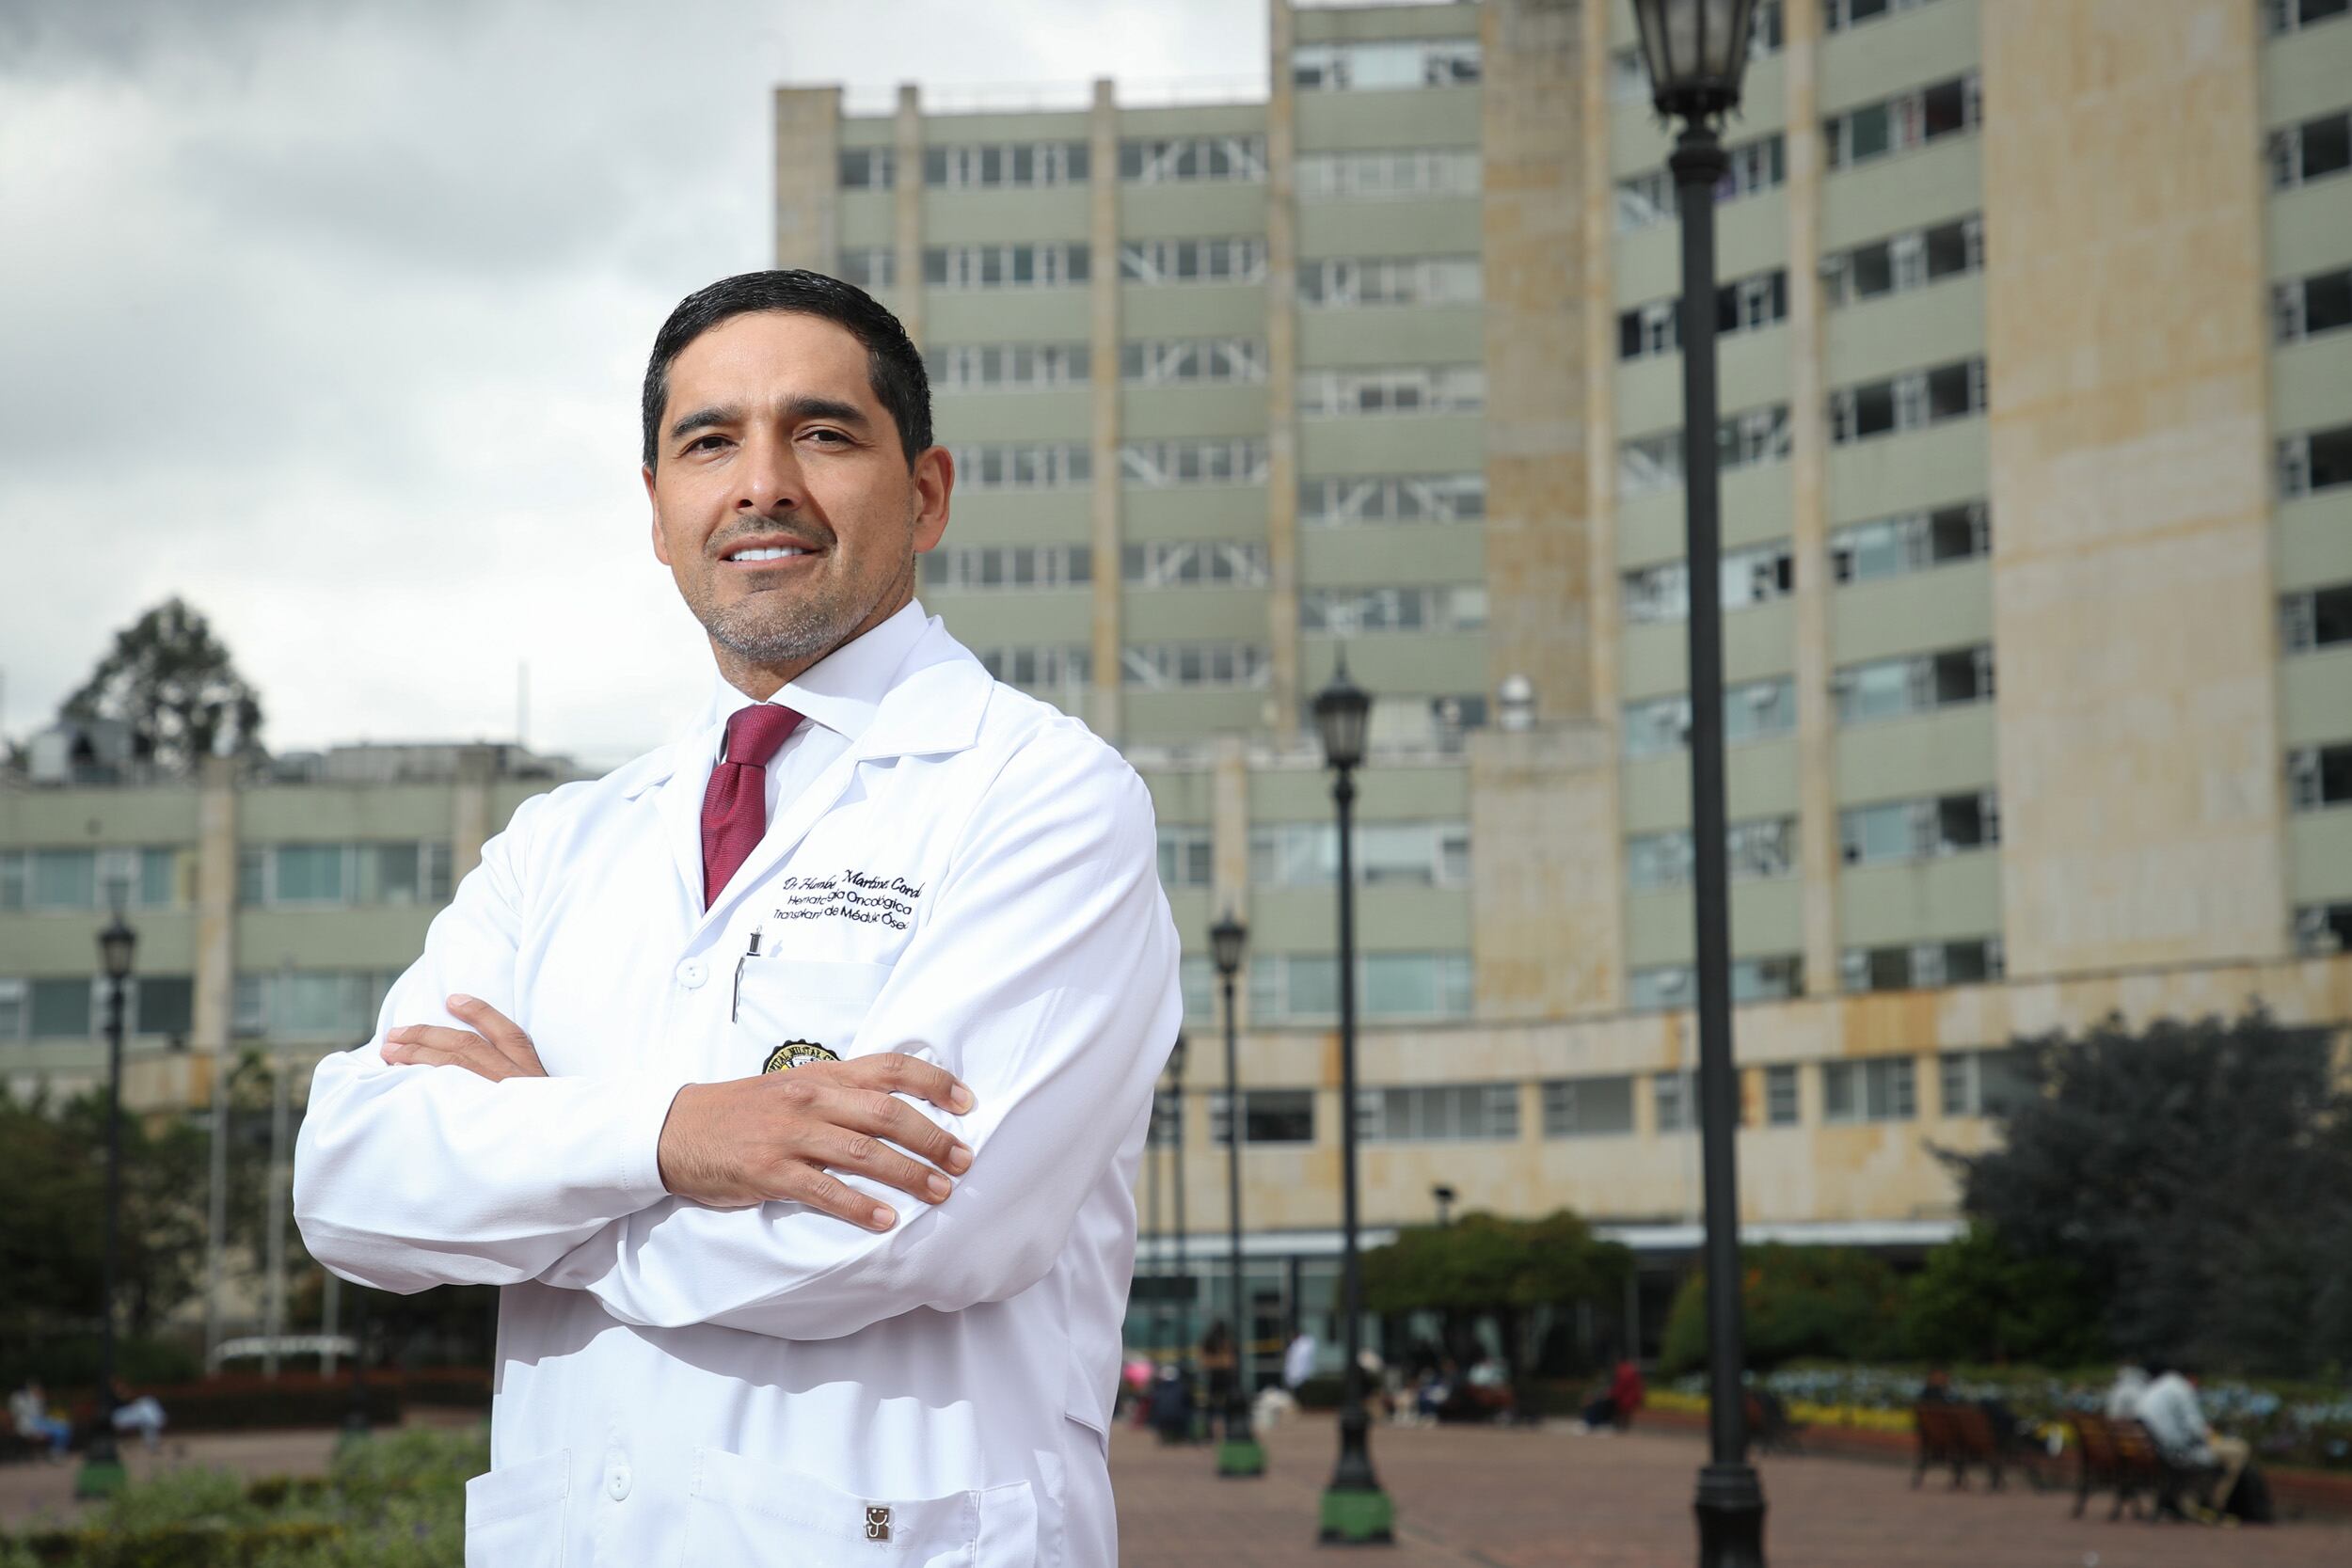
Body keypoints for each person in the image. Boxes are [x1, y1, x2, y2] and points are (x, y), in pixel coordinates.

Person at [292, 270, 1182, 1567]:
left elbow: (908, 1225)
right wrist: (678, 1133)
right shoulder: (564, 840)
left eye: (821, 432)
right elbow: (352, 1181)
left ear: (926, 492)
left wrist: (531, 1178)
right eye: (709, 442)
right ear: (659, 511)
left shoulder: (1044, 796)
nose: (762, 483)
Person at [2138, 1360, 2250, 1519]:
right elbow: (2196, 1429)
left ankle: (2190, 1502)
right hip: (2176, 1452)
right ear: (2192, 1378)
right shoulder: (2181, 1389)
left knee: (2224, 1452)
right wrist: (2209, 1435)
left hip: (2157, 1449)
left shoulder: (2157, 1387)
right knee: (2239, 1450)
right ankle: (2214, 1503)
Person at [9, 1380, 72, 1462]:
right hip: (29, 1424)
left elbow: (40, 1411)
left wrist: (40, 1397)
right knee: (58, 1431)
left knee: (64, 1427)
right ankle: (55, 1454)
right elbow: (18, 1414)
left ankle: (57, 1452)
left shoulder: (32, 1396)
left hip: (39, 1421)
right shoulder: (15, 1398)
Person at [105, 1380, 167, 1451]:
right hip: (118, 1418)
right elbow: (120, 1407)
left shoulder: (124, 1394)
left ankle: (153, 1442)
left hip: (127, 1416)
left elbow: (130, 1402)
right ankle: (158, 1420)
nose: (121, 1387)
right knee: (146, 1408)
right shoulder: (110, 1397)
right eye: (118, 1386)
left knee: (147, 1407)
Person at [1283, 1326, 1318, 1392]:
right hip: (1296, 1377)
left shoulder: (1305, 1344)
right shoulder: (1295, 1345)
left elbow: (1301, 1363)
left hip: (1301, 1377)